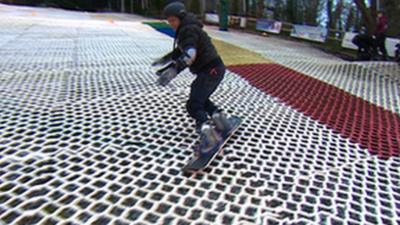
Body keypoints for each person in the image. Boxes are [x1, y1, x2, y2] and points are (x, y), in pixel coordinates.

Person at [153, 2, 236, 157]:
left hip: (211, 70)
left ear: (181, 18)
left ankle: (209, 136)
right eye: (169, 21)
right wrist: (165, 61)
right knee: (201, 99)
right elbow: (181, 50)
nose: (171, 24)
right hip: (213, 69)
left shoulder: (188, 30)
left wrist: (173, 70)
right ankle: (221, 122)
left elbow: (190, 55)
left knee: (193, 104)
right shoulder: (189, 28)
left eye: (173, 21)